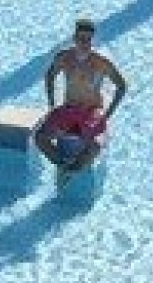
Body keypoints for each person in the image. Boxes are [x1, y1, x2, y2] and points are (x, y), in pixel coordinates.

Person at [35, 18, 127, 184]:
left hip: (91, 112)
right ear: (74, 38)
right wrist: (52, 104)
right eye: (81, 38)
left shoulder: (101, 62)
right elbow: (50, 76)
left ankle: (71, 170)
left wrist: (108, 114)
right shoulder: (64, 57)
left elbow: (121, 86)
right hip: (68, 109)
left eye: (88, 39)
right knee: (40, 138)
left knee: (95, 146)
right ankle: (63, 165)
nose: (84, 43)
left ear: (93, 40)